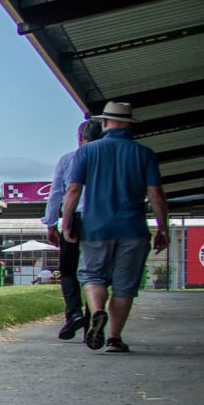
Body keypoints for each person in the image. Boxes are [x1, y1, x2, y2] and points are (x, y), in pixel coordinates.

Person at [61, 102, 169, 353]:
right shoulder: (144, 153)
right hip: (133, 230)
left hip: (96, 228)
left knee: (91, 276)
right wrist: (162, 228)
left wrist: (66, 222)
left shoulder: (87, 152)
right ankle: (113, 339)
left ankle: (97, 311)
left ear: (105, 123)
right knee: (124, 286)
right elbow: (156, 195)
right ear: (129, 125)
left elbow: (73, 190)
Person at [42, 118, 103, 340]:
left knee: (68, 270)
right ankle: (93, 320)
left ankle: (74, 313)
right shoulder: (107, 160)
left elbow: (57, 193)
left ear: (80, 138)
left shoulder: (68, 159)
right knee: (96, 273)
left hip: (75, 219)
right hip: (102, 221)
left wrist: (51, 223)